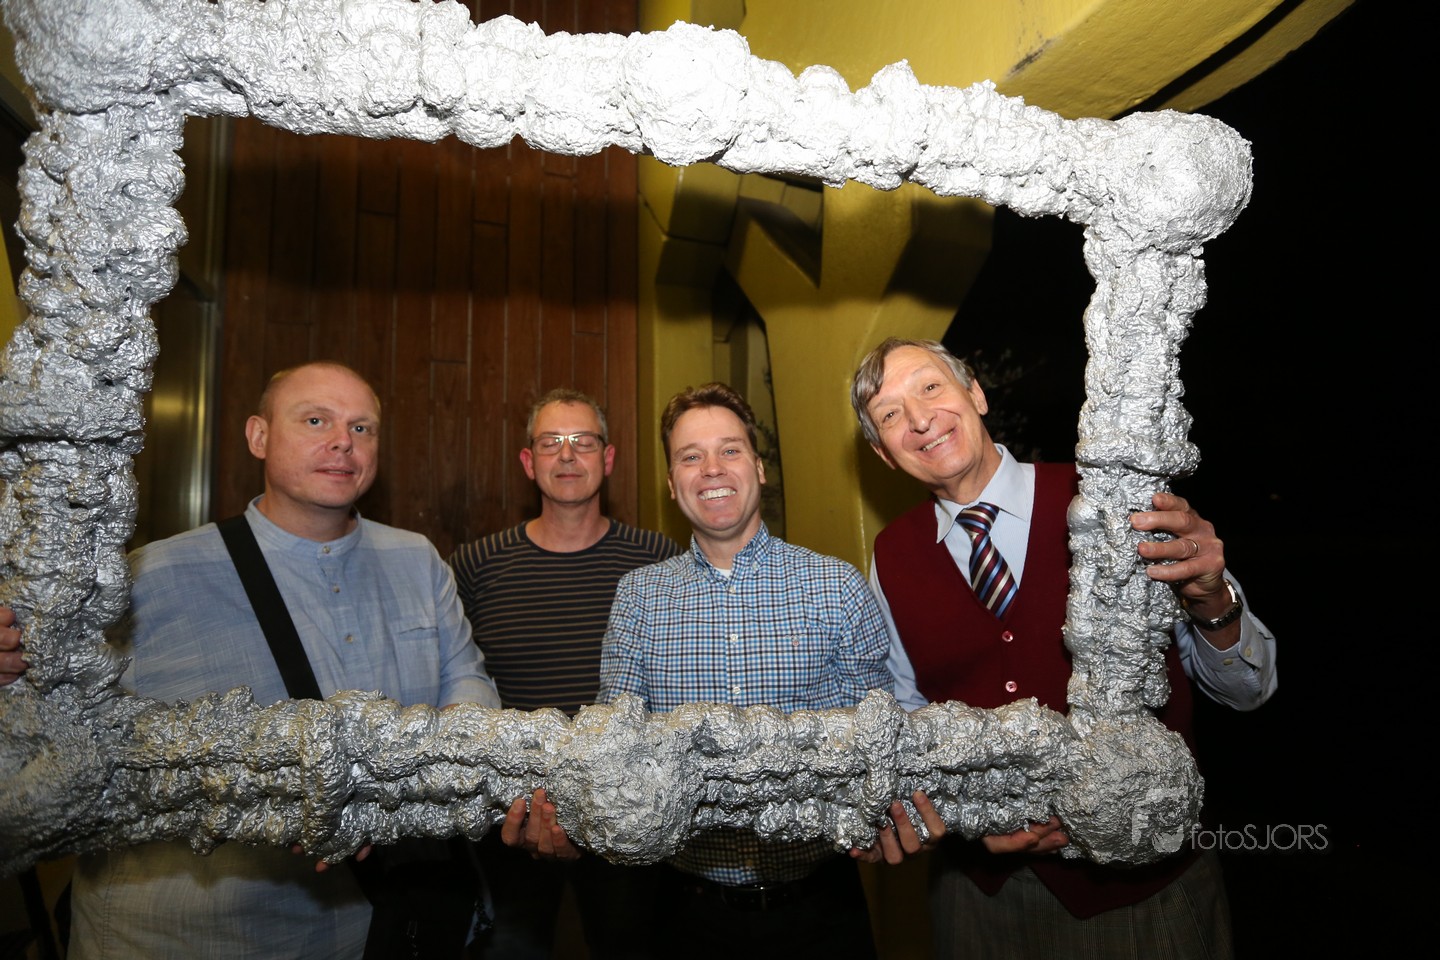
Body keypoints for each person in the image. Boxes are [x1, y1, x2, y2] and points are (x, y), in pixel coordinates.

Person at [5, 361, 501, 960]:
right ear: (258, 436)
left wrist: (407, 790)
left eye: (361, 428)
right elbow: (49, 723)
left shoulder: (416, 559)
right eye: (315, 420)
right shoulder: (153, 575)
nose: (342, 441)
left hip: (366, 926)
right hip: (189, 933)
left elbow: (465, 681)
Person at [848, 338, 1277, 959]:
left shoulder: (1109, 499)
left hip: (1144, 895)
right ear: (883, 453)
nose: (918, 419)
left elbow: (1247, 690)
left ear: (976, 394)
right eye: (890, 415)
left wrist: (1214, 600)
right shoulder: (892, 556)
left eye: (931, 387)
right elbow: (909, 721)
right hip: (980, 903)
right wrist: (969, 817)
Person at [591, 382, 893, 959]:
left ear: (758, 467)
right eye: (690, 456)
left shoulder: (836, 587)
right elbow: (617, 750)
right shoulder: (638, 599)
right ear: (672, 482)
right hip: (687, 916)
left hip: (821, 909)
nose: (712, 469)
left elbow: (878, 747)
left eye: (730, 450)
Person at [450, 387, 679, 959]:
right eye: (551, 442)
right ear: (529, 462)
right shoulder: (476, 565)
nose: (568, 455)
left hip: (629, 812)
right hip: (512, 817)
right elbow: (453, 680)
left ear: (609, 458)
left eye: (583, 442)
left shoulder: (658, 560)